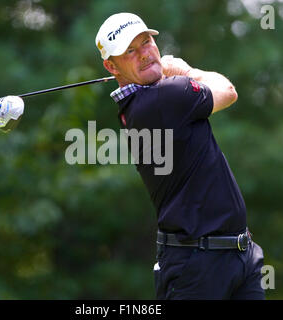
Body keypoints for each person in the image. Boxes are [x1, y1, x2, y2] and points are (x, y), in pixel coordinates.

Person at [95, 12, 265, 300]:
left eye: (147, 42)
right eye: (131, 51)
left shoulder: (144, 102)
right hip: (197, 267)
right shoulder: (163, 97)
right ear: (111, 66)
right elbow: (228, 91)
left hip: (237, 254)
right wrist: (185, 69)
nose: (145, 54)